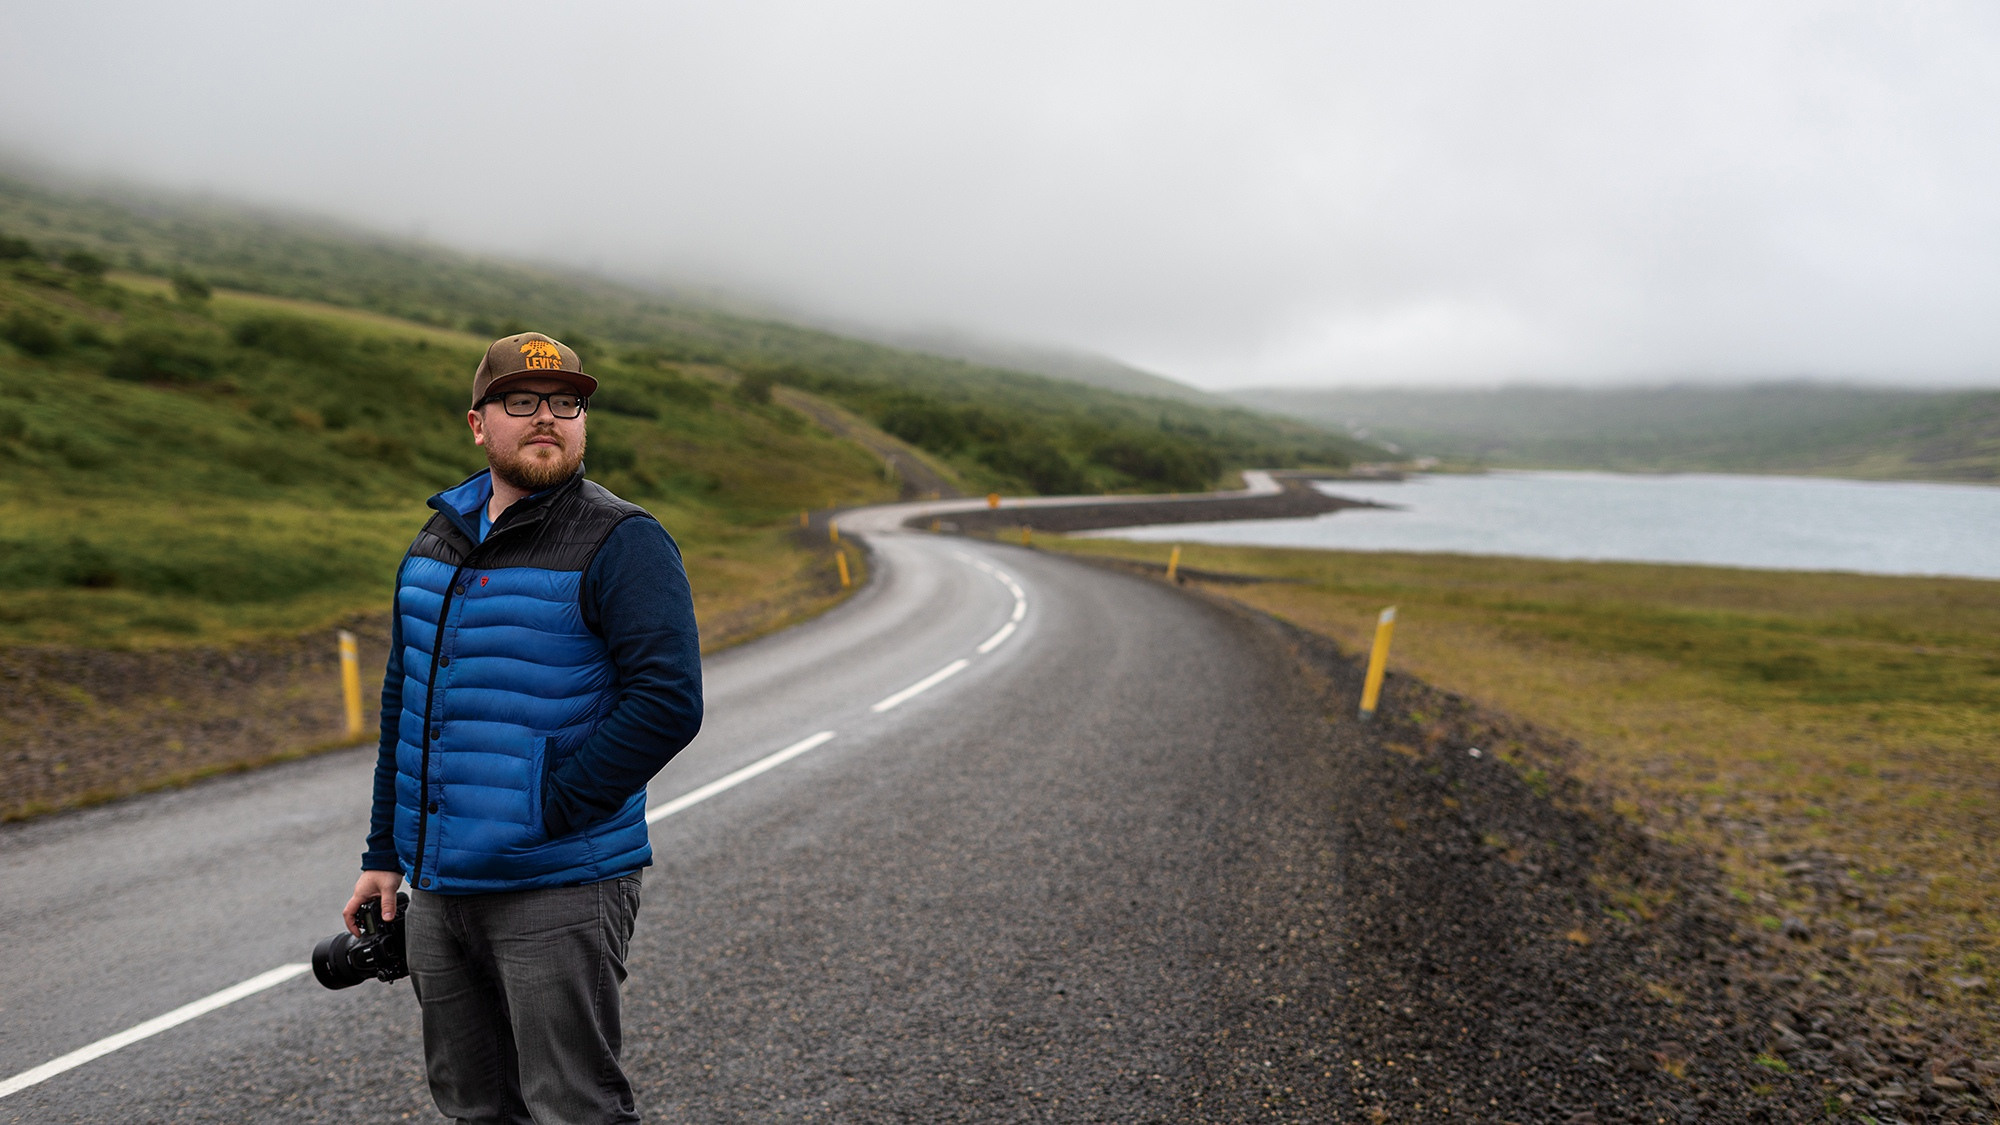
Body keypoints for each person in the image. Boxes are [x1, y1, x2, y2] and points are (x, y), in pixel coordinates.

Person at [342, 331, 703, 1124]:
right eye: (522, 401)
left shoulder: (623, 540)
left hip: (558, 884)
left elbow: (669, 701)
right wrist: (385, 853)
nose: (548, 417)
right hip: (440, 891)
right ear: (479, 423)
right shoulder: (436, 541)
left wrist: (550, 809)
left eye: (566, 403)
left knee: (572, 1105)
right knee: (474, 1105)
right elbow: (408, 702)